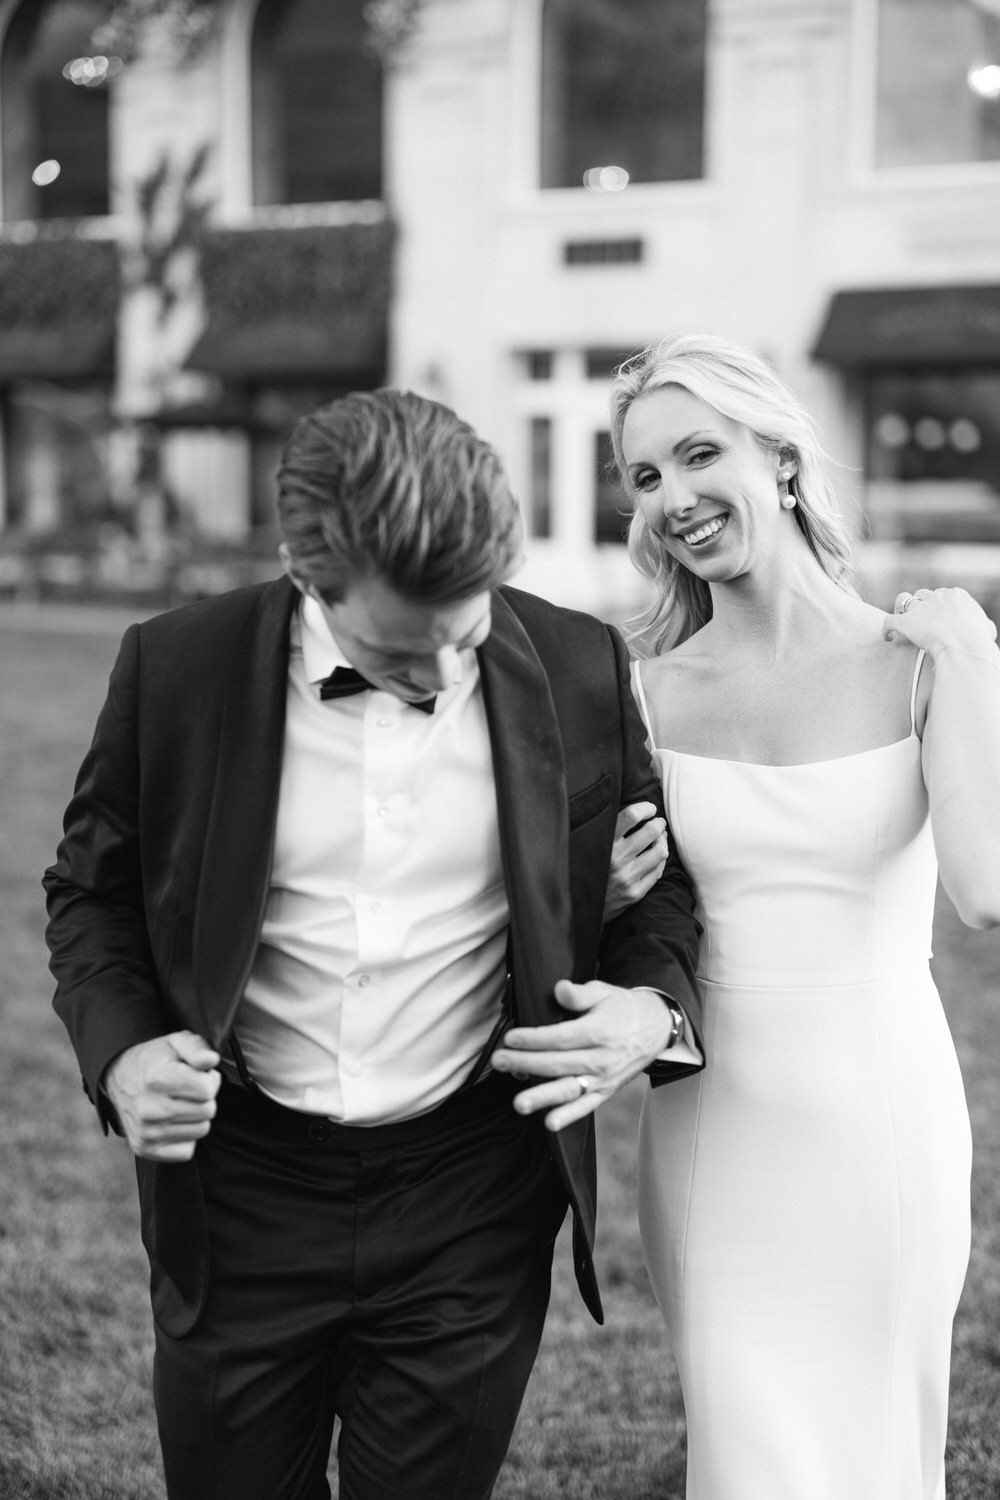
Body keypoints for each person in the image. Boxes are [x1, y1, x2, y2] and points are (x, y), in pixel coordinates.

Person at [42, 387, 704, 1500]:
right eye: (405, 652)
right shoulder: (177, 670)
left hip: (473, 1197)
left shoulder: (582, 662)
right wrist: (124, 1052)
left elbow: (656, 896)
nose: (449, 681)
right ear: (311, 578)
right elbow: (91, 895)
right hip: (240, 1193)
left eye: (470, 631)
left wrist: (650, 1012)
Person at [492, 333, 1000, 1499]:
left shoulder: (914, 659)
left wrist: (972, 661)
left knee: (875, 1445)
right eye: (645, 477)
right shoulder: (640, 689)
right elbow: (589, 928)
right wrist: (603, 897)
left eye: (697, 454)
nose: (672, 498)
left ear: (778, 456)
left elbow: (979, 890)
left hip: (882, 1120)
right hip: (715, 1124)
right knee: (744, 1452)